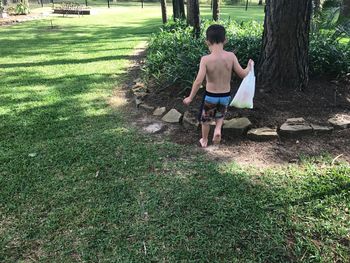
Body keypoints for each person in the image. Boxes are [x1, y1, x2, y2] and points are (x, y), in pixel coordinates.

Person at [183, 24, 254, 148]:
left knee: (206, 120)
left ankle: (204, 140)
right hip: (225, 95)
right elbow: (243, 74)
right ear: (225, 39)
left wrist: (190, 97)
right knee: (220, 115)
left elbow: (199, 81)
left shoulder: (206, 59)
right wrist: (249, 66)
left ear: (207, 42)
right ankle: (217, 130)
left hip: (211, 95)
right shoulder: (231, 56)